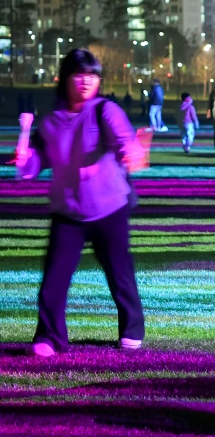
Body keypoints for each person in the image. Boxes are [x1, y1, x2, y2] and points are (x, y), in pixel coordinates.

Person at [14, 49, 146, 356]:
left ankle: (131, 330)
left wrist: (131, 153)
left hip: (109, 207)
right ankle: (50, 337)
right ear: (65, 79)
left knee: (119, 273)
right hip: (68, 212)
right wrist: (26, 159)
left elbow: (127, 142)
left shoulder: (106, 111)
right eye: (79, 74)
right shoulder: (52, 121)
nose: (87, 81)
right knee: (54, 281)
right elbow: (34, 166)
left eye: (93, 75)